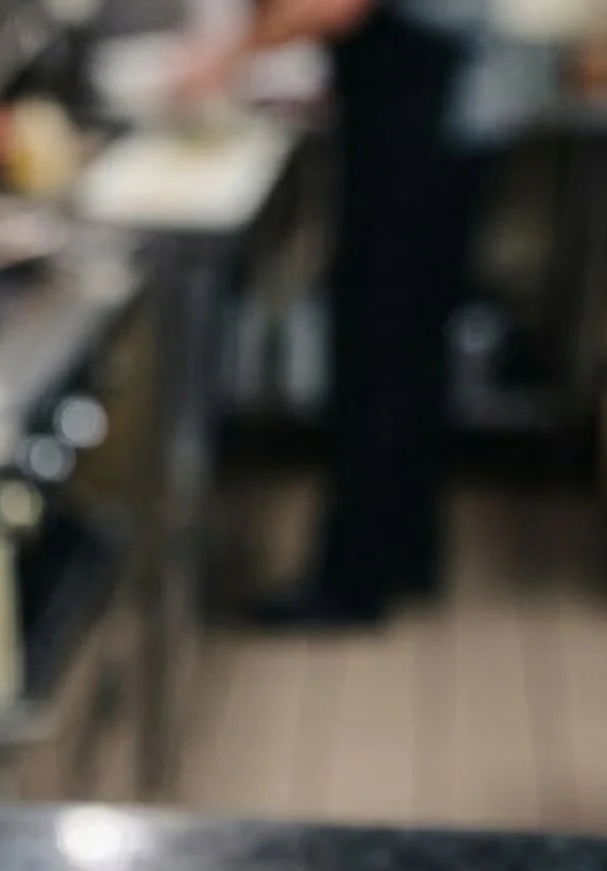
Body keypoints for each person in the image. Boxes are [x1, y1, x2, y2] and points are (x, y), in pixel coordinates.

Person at [182, 0, 488, 627]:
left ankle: (353, 582)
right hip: (433, 110)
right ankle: (406, 553)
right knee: (412, 346)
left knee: (380, 344)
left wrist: (229, 52)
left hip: (416, 114)